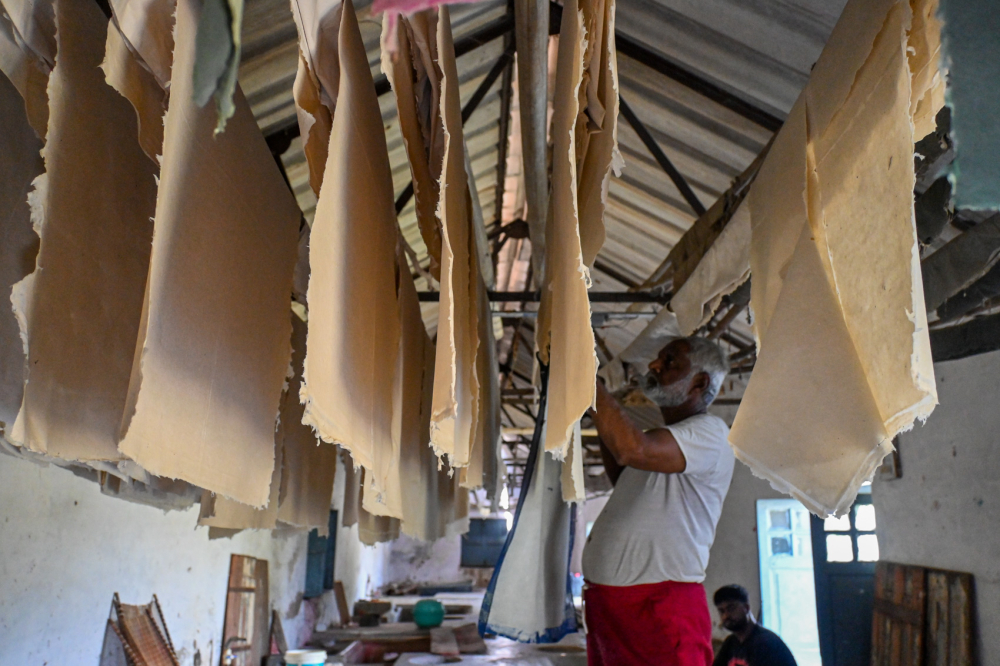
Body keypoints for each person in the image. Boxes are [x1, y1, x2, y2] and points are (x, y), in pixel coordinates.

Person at [582, 336, 735, 666]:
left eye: (670, 363)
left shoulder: (710, 432)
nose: (654, 366)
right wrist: (598, 412)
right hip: (615, 607)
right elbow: (625, 469)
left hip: (658, 607)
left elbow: (630, 450)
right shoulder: (661, 444)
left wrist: (589, 384)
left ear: (700, 382)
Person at [712, 584, 798, 666]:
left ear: (746, 608)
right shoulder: (730, 643)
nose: (726, 616)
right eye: (721, 611)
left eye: (731, 608)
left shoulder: (766, 643)